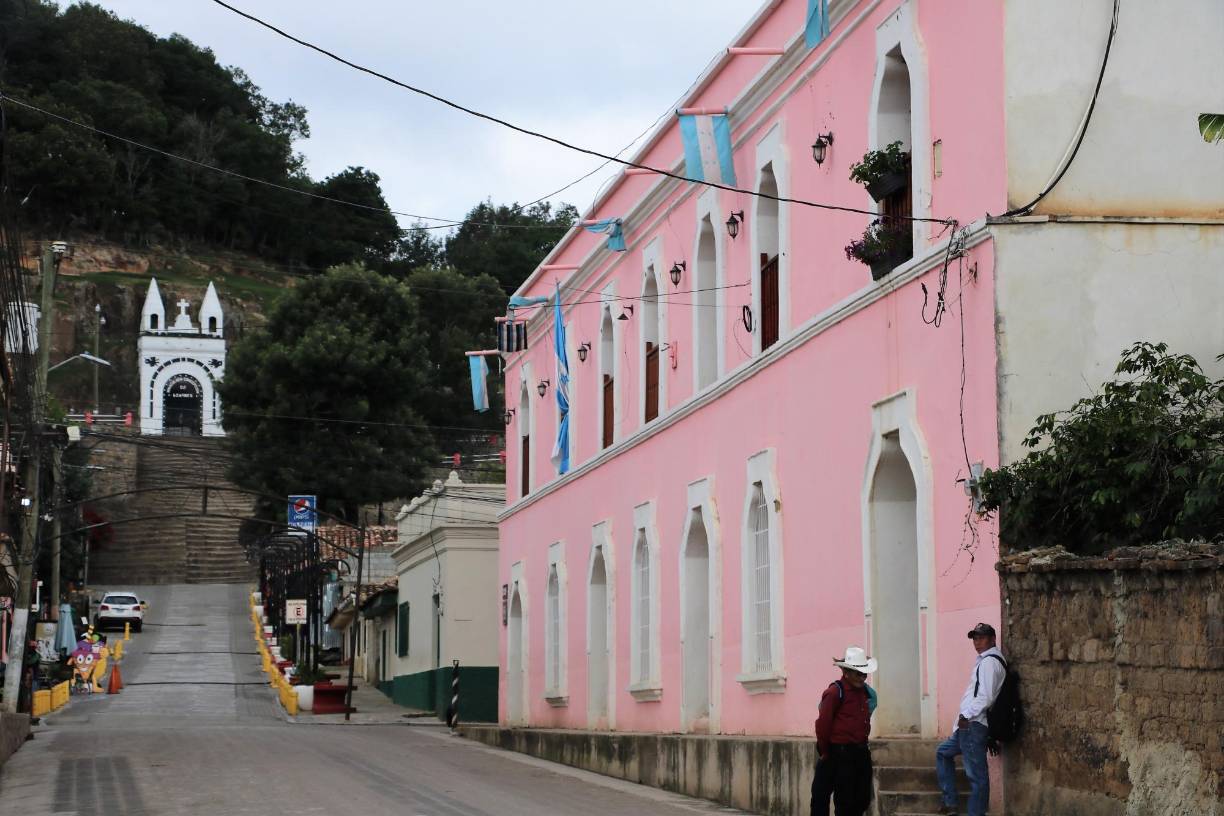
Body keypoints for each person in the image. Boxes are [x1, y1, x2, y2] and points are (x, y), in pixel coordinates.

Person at [936, 622, 1005, 816]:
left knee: (977, 777)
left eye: (981, 638)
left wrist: (966, 715)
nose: (977, 642)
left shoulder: (990, 662)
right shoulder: (985, 660)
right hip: (967, 726)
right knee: (942, 753)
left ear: (993, 639)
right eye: (975, 638)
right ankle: (950, 802)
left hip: (974, 724)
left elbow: (986, 696)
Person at [811, 646, 878, 816]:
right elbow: (823, 725)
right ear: (846, 672)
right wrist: (825, 752)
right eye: (858, 673)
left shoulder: (866, 693)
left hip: (861, 752)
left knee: (862, 799)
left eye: (865, 674)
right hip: (839, 752)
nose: (862, 678)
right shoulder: (834, 692)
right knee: (839, 799)